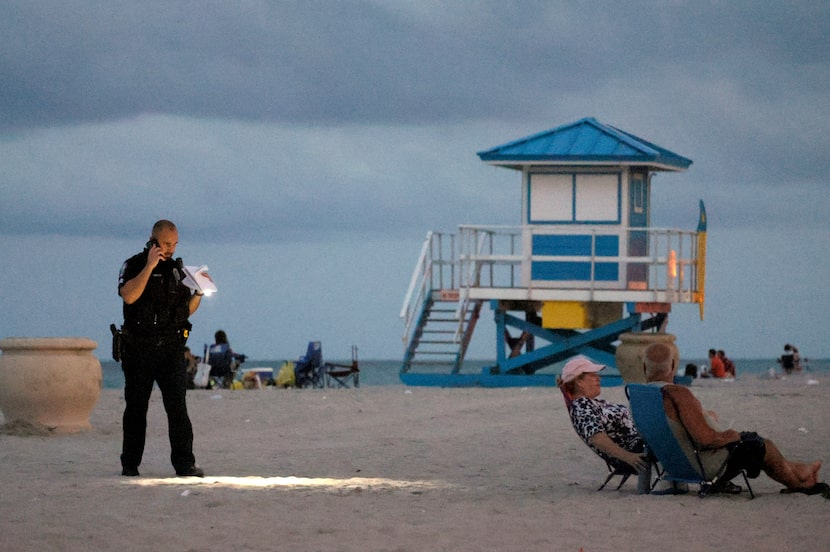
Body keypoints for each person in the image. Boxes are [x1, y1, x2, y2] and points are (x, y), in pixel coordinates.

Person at [643, 342, 825, 494]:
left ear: (644, 367)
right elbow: (705, 439)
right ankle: (798, 483)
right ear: (673, 365)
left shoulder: (641, 396)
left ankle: (800, 471)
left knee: (751, 442)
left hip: (674, 463)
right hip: (702, 466)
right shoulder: (677, 393)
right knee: (762, 445)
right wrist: (730, 435)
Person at [118, 220, 204, 478]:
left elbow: (184, 312)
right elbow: (129, 295)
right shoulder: (133, 264)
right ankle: (130, 464)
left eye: (175, 244)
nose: (171, 249)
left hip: (171, 350)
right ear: (154, 240)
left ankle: (184, 464)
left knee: (178, 408)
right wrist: (150, 265)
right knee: (136, 408)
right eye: (166, 244)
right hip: (139, 348)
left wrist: (199, 293)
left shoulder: (179, 272)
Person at [558, 356, 649, 474]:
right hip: (635, 450)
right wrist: (629, 457)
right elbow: (596, 438)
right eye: (592, 375)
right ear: (579, 381)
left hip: (641, 443)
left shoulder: (590, 403)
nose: (598, 378)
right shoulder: (581, 405)